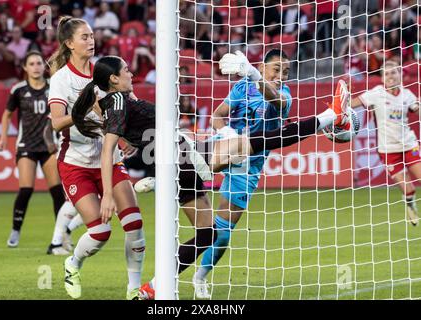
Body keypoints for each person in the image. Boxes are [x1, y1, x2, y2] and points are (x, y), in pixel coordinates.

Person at [71, 54, 352, 299]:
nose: (131, 72)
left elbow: (123, 123)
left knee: (207, 233)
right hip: (182, 157)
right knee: (264, 139)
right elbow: (107, 150)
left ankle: (154, 287)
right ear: (114, 80)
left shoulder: (117, 100)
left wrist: (128, 132)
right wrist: (108, 194)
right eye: (126, 70)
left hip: (177, 161)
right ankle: (331, 115)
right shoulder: (118, 101)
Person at [48, 16, 145, 300]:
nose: (91, 41)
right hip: (76, 164)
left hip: (110, 158)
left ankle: (134, 289)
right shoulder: (60, 80)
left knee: (134, 222)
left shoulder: (103, 71)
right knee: (101, 232)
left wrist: (128, 137)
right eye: (84, 37)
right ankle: (72, 263)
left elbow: (126, 106)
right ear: (69, 43)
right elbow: (56, 123)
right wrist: (85, 108)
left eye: (91, 36)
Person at [193, 48, 292, 298]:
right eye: (277, 70)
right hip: (225, 146)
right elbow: (217, 116)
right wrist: (226, 131)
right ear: (264, 66)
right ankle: (162, 180)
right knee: (192, 159)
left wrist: (255, 75)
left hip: (248, 167)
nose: (281, 76)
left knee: (222, 234)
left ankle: (200, 277)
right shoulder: (241, 88)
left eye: (286, 72)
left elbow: (275, 100)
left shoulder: (285, 95)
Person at [0, 51, 78, 255]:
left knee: (56, 191)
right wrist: (3, 138)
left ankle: (60, 236)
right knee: (26, 189)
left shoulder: (53, 86)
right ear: (25, 67)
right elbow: (7, 115)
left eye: (39, 63)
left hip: (49, 146)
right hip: (26, 145)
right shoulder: (18, 90)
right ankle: (15, 230)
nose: (36, 67)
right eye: (31, 63)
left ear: (44, 66)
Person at [350, 60, 421, 226]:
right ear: (382, 78)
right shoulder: (376, 93)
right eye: (387, 73)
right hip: (388, 150)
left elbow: (418, 111)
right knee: (409, 188)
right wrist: (344, 99)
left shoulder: (407, 94)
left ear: (400, 75)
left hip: (410, 145)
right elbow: (353, 104)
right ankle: (410, 203)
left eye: (394, 72)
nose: (390, 76)